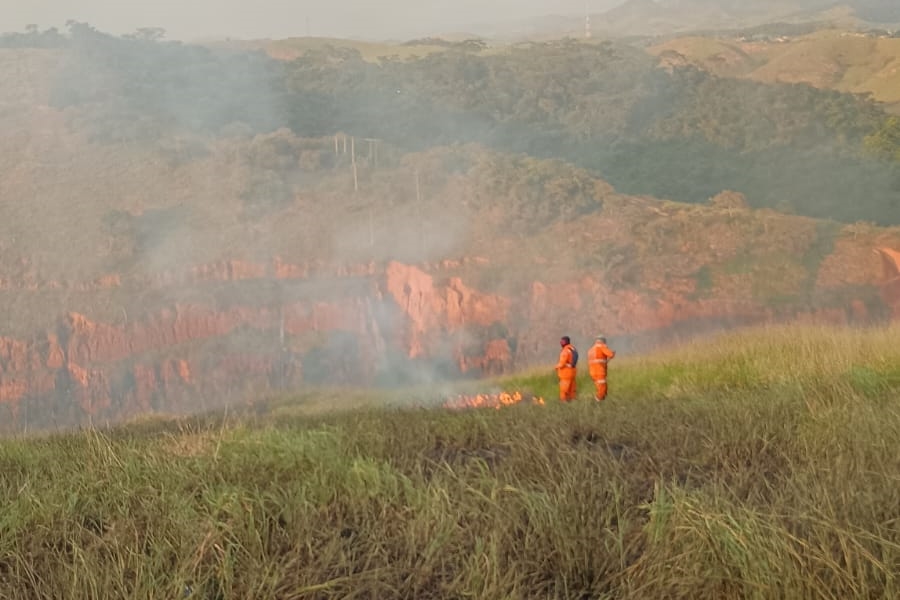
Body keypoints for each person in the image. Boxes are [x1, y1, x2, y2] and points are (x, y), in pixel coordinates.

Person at [588, 335, 615, 401]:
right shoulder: (601, 346)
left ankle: (601, 400)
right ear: (603, 341)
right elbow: (610, 354)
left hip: (592, 372)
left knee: (600, 387)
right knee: (602, 388)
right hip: (599, 371)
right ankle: (597, 402)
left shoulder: (591, 349)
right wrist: (612, 353)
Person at [555, 335, 578, 402]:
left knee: (564, 390)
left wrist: (556, 367)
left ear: (565, 342)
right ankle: (573, 402)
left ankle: (563, 403)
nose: (561, 343)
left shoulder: (565, 351)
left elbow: (562, 363)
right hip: (572, 372)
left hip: (565, 373)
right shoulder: (572, 348)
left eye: (562, 342)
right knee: (572, 389)